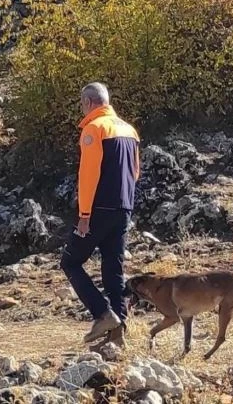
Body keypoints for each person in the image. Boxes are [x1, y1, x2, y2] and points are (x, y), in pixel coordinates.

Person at [60, 82, 140, 347]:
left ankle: (103, 314)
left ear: (89, 102)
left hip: (98, 208)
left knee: (70, 262)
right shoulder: (129, 130)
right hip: (124, 207)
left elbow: (88, 175)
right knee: (113, 269)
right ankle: (119, 334)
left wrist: (84, 214)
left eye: (82, 104)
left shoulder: (94, 129)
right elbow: (135, 172)